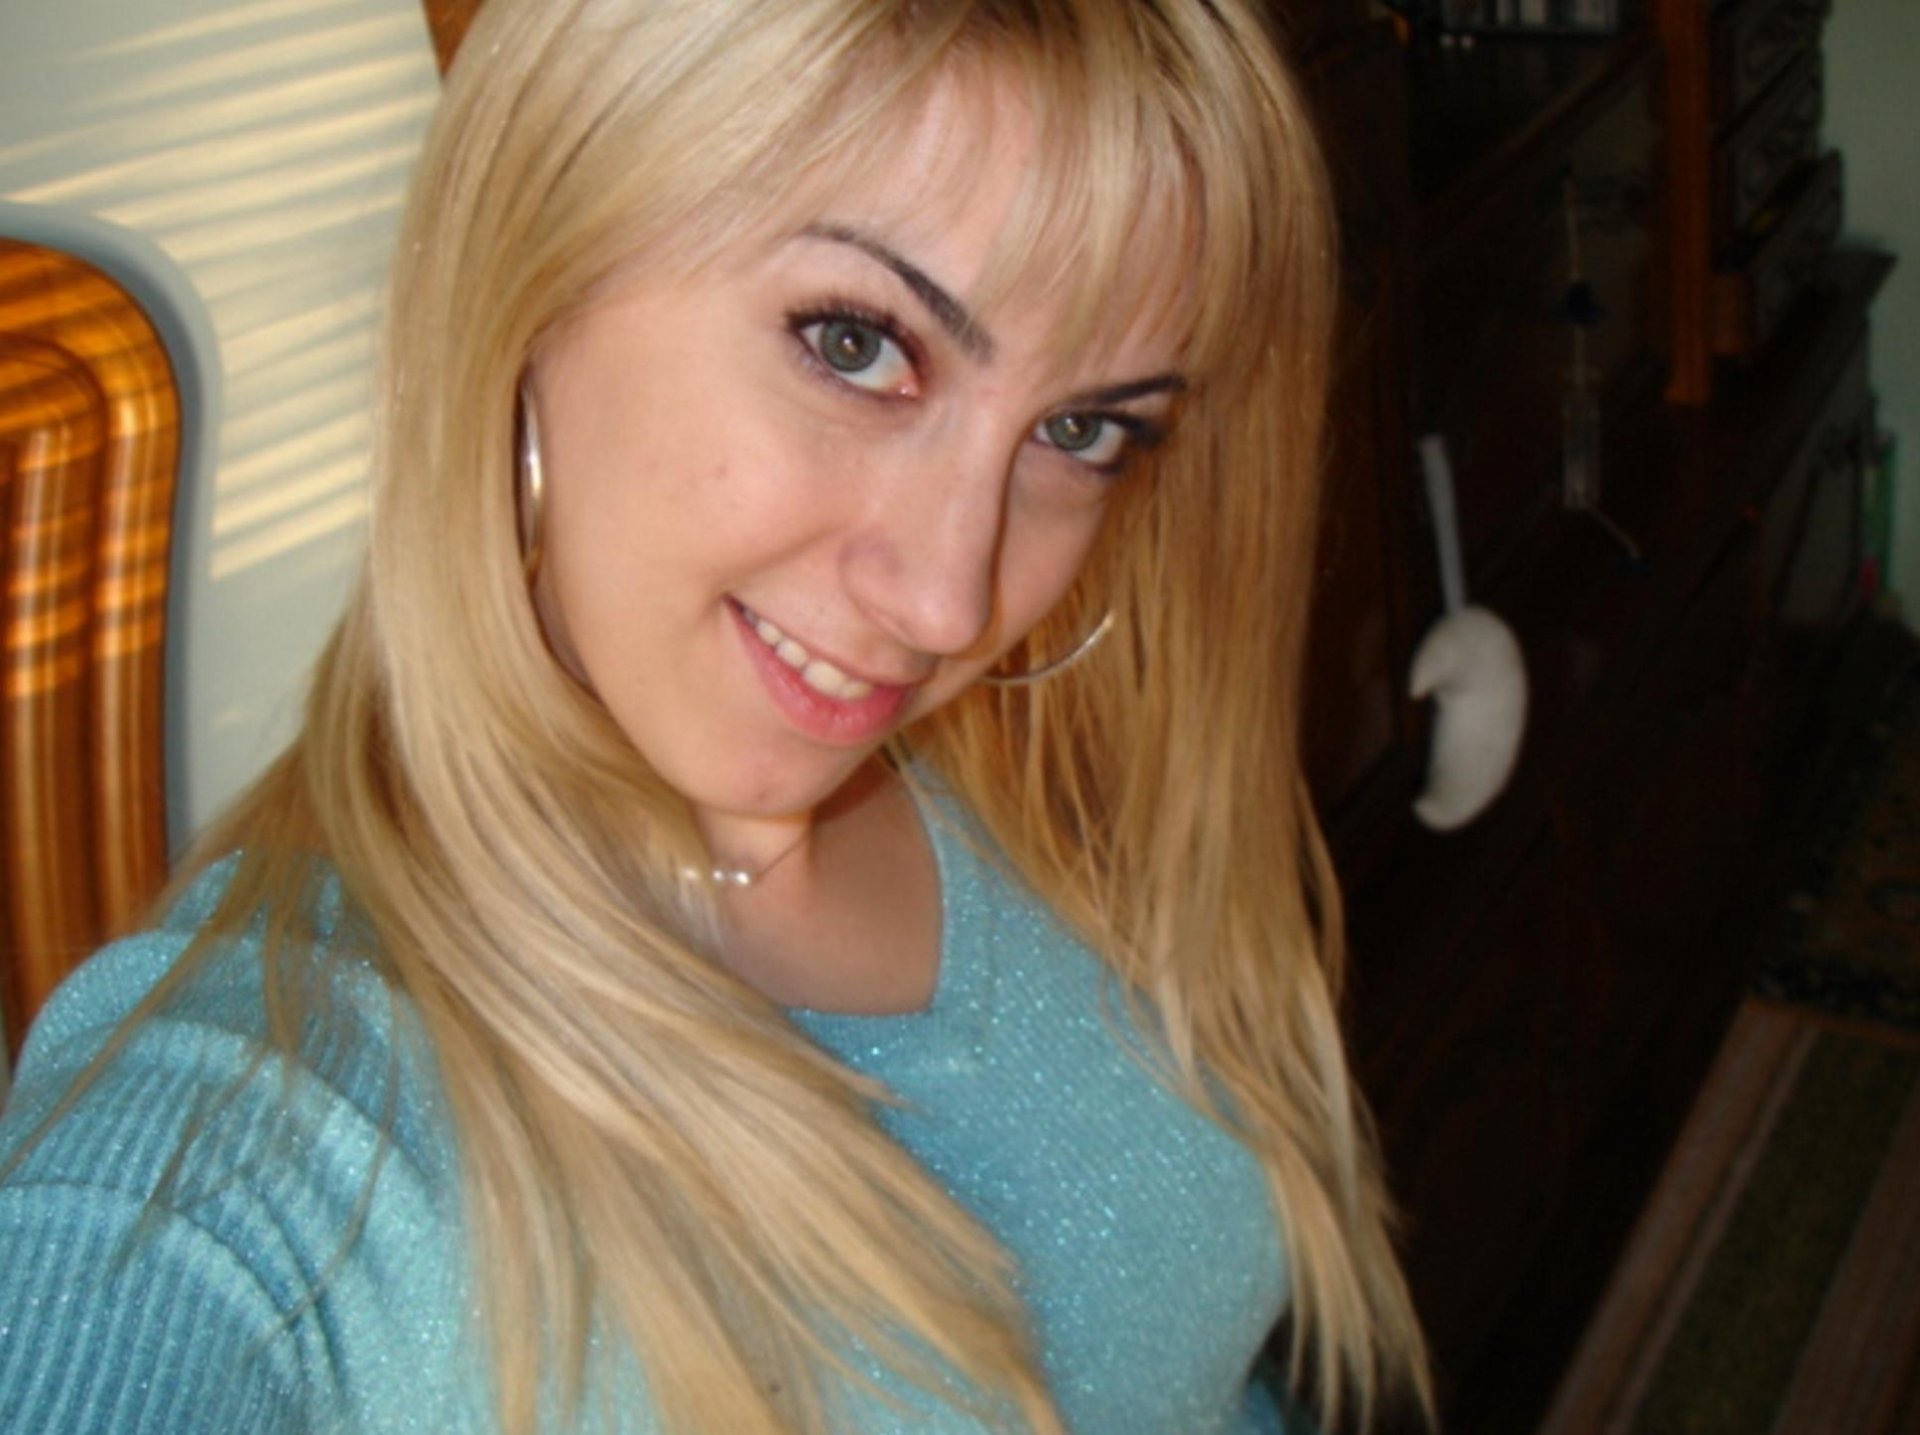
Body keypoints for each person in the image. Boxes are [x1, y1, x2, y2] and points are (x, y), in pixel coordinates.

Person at [0, 1, 1432, 1431]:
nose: (951, 601)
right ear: (533, 265)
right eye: (857, 345)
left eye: (1080, 431)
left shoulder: (1018, 787)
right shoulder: (245, 1144)